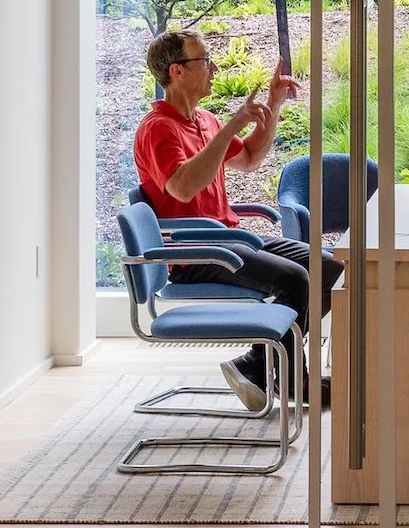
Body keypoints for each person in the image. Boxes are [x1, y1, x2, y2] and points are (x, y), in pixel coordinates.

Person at [132, 27, 340, 412]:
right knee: (297, 278)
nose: (213, 68)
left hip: (230, 239)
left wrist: (272, 106)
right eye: (204, 60)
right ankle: (294, 379)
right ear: (177, 71)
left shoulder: (205, 120)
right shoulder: (157, 128)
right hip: (195, 252)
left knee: (329, 267)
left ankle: (257, 363)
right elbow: (182, 187)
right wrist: (232, 125)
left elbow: (249, 159)